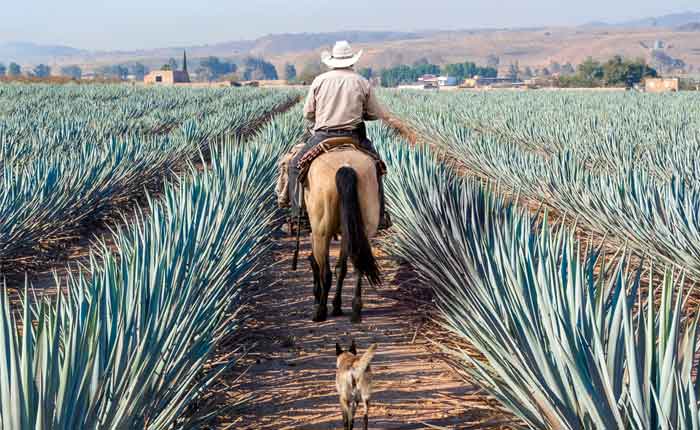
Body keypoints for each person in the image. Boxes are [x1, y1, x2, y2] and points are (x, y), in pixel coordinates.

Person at [280, 40, 390, 228]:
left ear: (332, 61)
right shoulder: (362, 82)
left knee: (294, 166)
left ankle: (298, 216)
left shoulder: (320, 81)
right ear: (352, 61)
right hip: (354, 137)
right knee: (378, 168)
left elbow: (308, 113)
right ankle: (379, 216)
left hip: (323, 136)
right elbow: (374, 113)